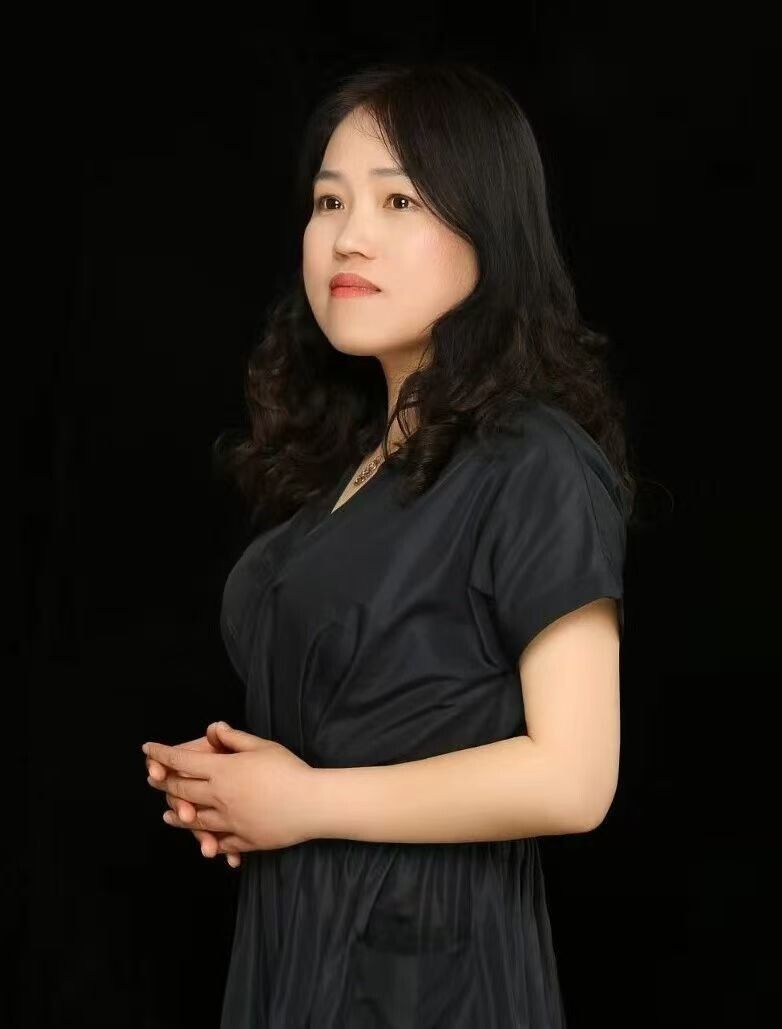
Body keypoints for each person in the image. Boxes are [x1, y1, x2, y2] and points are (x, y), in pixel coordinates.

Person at [145, 59, 636, 1028]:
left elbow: (575, 779)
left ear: (489, 234)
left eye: (398, 199)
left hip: (431, 978)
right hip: (297, 952)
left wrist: (304, 800)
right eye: (329, 201)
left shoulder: (531, 459)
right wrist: (237, 786)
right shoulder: (356, 470)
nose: (348, 235)